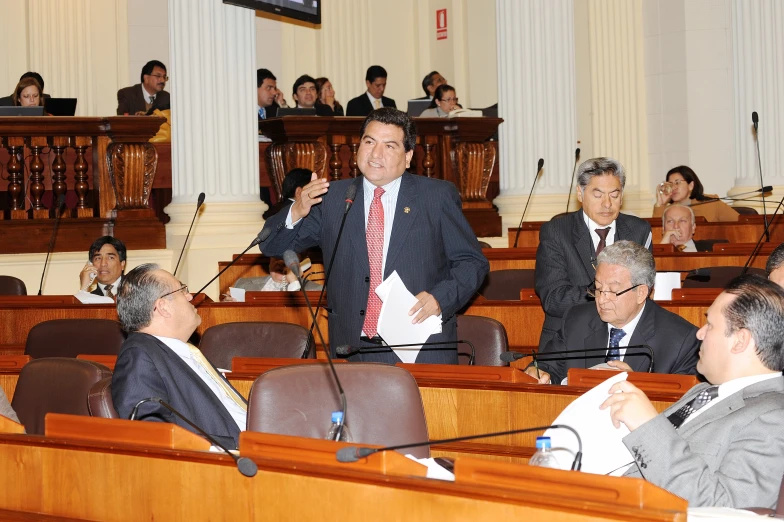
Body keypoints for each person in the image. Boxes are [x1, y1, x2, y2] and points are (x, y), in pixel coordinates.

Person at [260, 108, 488, 364]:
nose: (376, 154)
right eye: (369, 142)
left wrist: (439, 298)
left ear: (409, 156)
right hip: (353, 349)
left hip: (419, 346)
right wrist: (296, 210)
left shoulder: (435, 196)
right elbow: (270, 245)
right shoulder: (332, 197)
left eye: (389, 146)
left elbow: (473, 263)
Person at [601, 274, 784, 509]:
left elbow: (727, 509)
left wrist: (647, 427)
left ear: (740, 341)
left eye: (710, 325)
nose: (699, 333)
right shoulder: (703, 393)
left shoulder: (774, 417)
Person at [526, 241, 699, 384]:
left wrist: (639, 386)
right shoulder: (576, 320)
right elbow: (546, 367)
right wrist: (537, 373)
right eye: (598, 289)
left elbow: (683, 406)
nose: (601, 300)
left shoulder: (681, 340)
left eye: (613, 291)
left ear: (641, 293)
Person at [112, 264, 246, 449]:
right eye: (182, 290)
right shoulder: (138, 355)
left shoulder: (181, 349)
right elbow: (152, 434)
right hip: (228, 458)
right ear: (163, 307)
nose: (190, 296)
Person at [535, 157, 652, 352]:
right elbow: (554, 299)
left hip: (626, 338)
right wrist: (607, 293)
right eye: (598, 195)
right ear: (580, 194)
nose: (607, 204)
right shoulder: (556, 232)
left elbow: (643, 290)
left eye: (614, 195)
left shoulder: (638, 230)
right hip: (569, 339)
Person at [653, 166, 739, 222]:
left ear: (691, 185)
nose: (674, 187)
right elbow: (656, 233)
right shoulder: (668, 210)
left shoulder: (712, 203)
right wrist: (660, 204)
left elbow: (739, 223)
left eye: (677, 182)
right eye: (670, 184)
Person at [233, 256, 321, 292]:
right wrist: (228, 304)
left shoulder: (316, 291)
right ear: (270, 261)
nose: (280, 262)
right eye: (276, 257)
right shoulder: (242, 284)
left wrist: (294, 281)